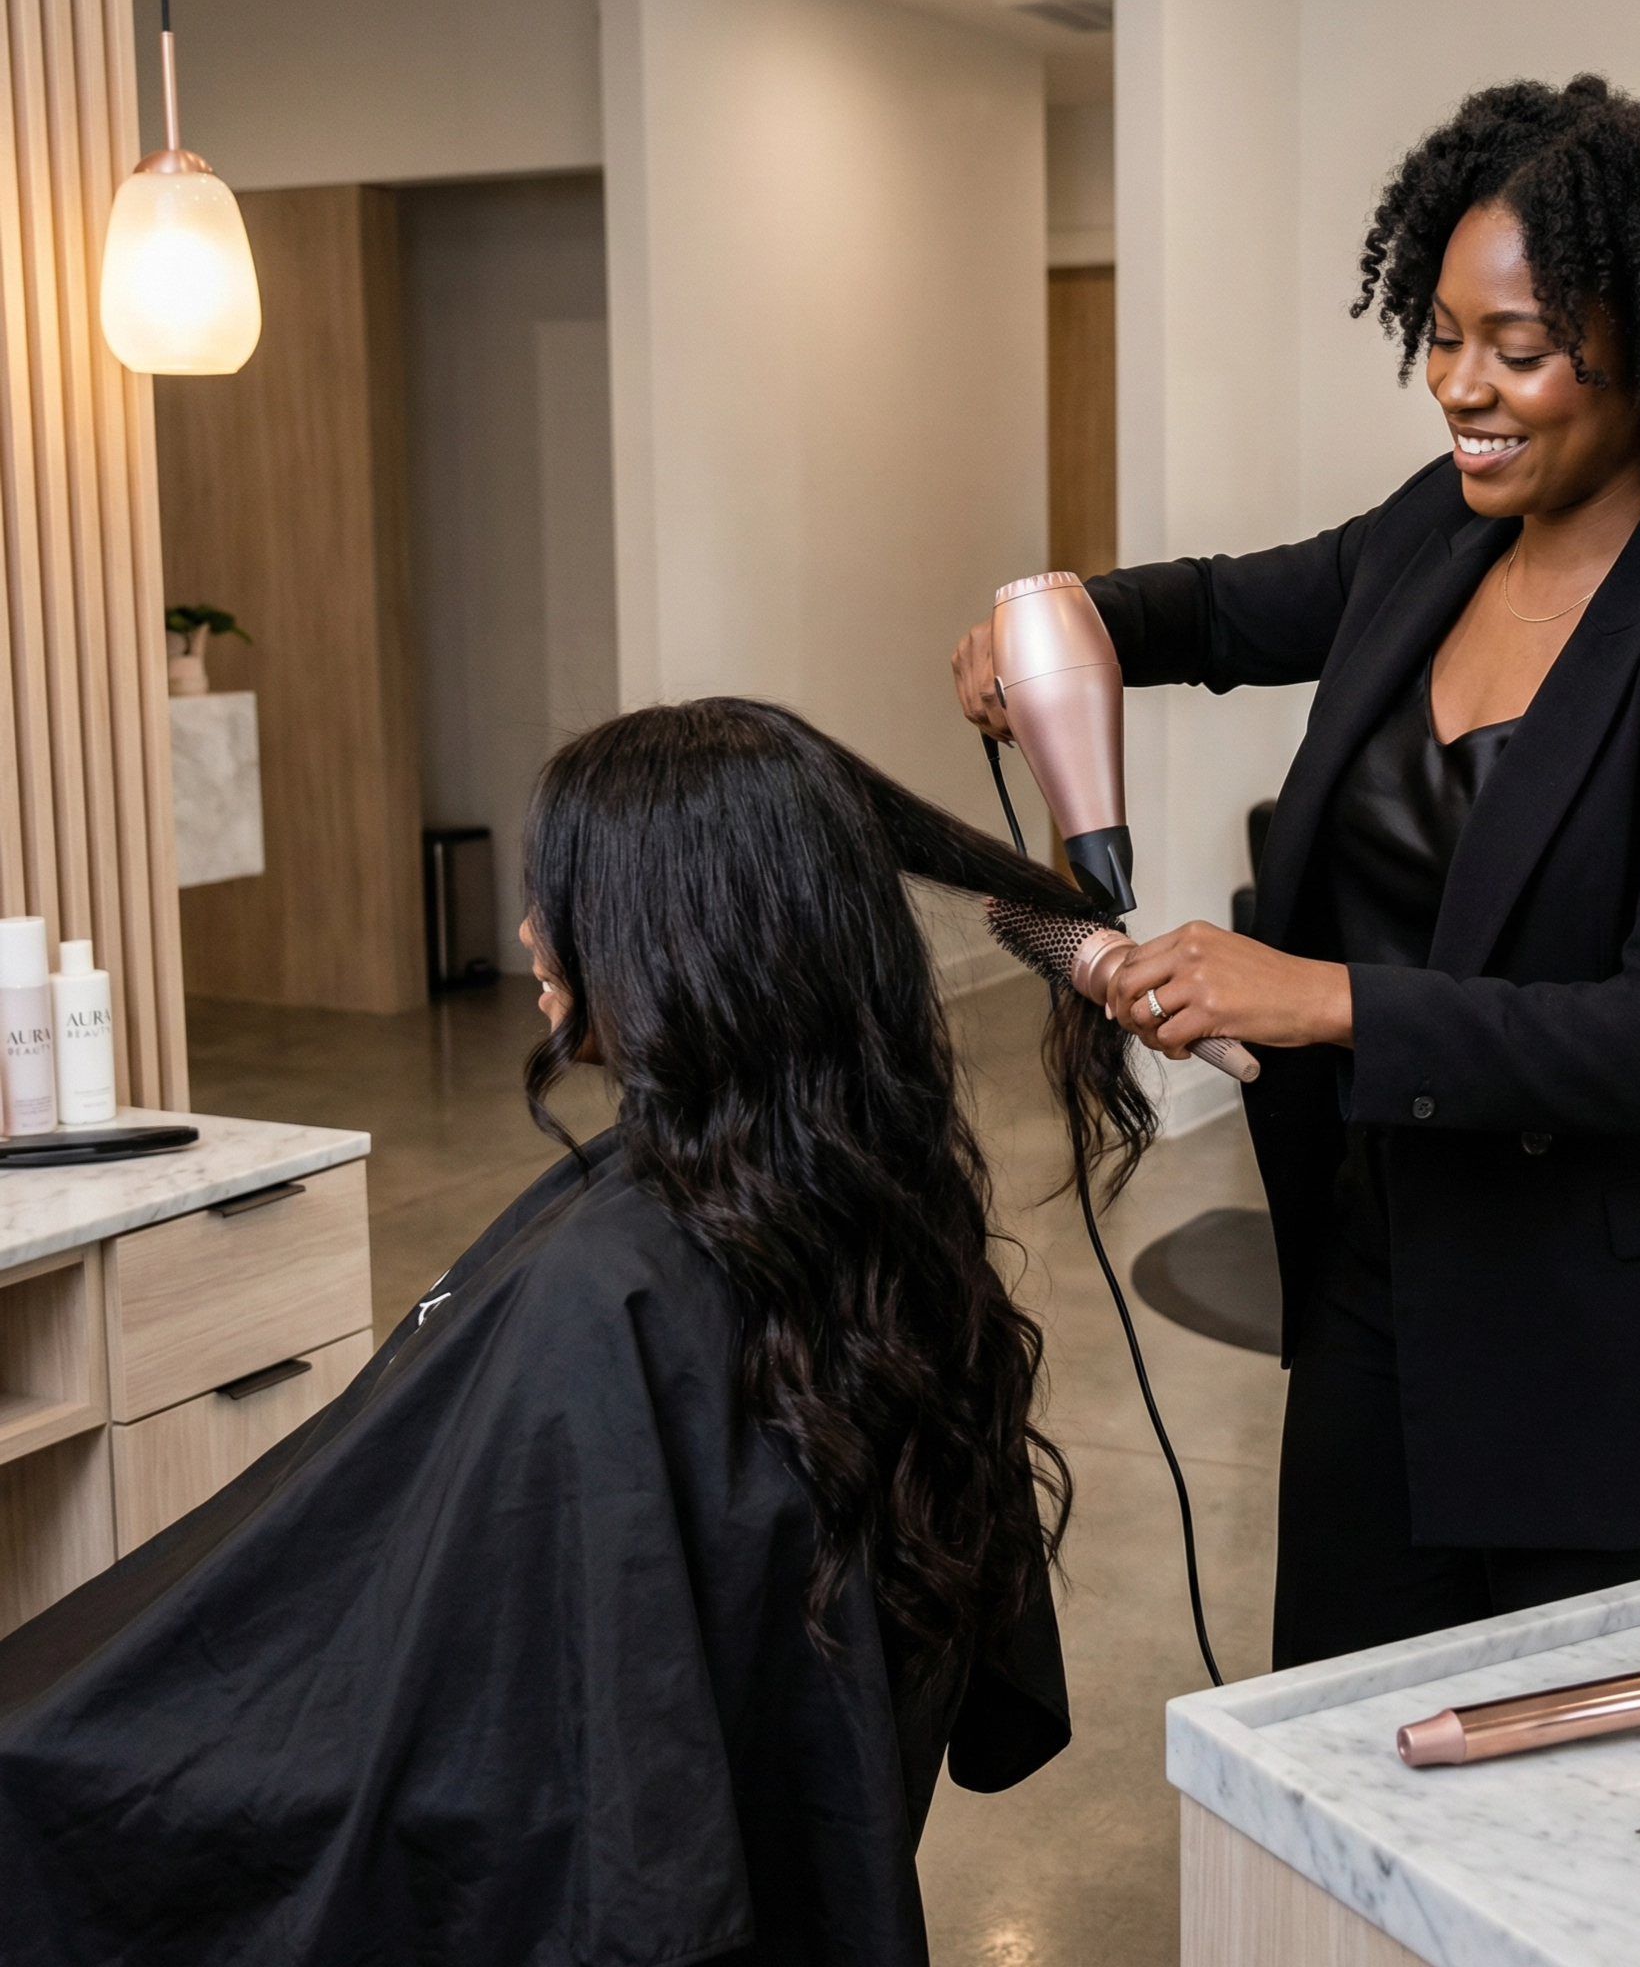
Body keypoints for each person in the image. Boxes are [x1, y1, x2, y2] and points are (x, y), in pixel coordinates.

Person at [0, 699, 1153, 1966]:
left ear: (678, 938)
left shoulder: (617, 1285)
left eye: (560, 897)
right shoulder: (863, 1194)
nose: (527, 932)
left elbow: (532, 1756)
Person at [955, 76, 1640, 1667]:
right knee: (1338, 1780)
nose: (1463, 387)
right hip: (1386, 1297)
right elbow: (1224, 610)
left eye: (1518, 350)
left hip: (1624, 1358)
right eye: (1439, 337)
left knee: (1568, 1866)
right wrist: (1063, 618)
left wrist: (1327, 1001)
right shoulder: (1430, 540)